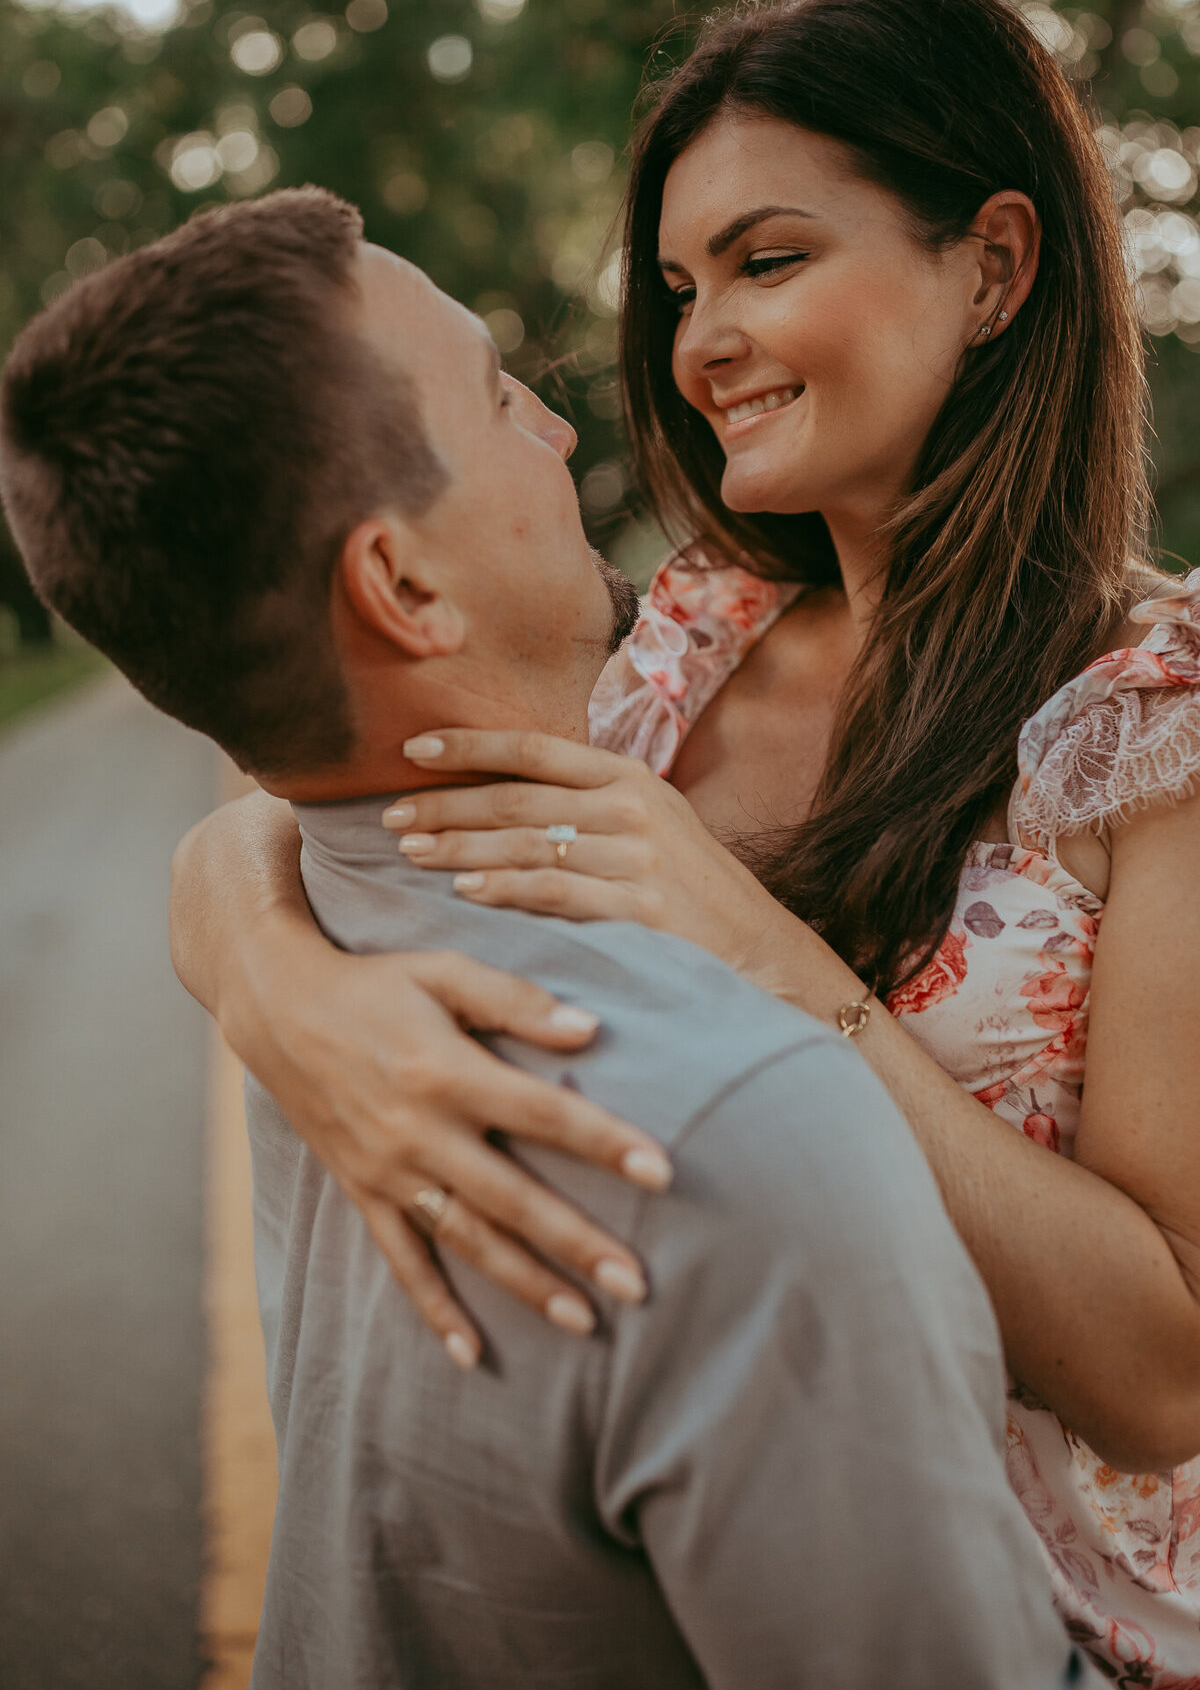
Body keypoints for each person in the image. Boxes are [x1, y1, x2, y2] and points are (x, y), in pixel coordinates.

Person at [161, 0, 1200, 1685]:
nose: (698, 337)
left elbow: (1167, 1368)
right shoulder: (670, 655)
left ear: (997, 267)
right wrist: (281, 984)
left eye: (769, 261)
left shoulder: (1150, 728)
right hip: (691, 1586)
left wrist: (772, 959)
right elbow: (300, 795)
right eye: (678, 281)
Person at [0, 188, 1085, 1687]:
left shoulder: (337, 908)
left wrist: (258, 947)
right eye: (503, 398)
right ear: (399, 585)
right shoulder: (747, 1137)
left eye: (769, 261)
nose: (568, 428)